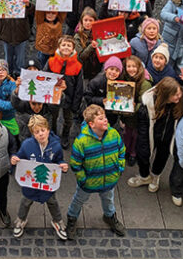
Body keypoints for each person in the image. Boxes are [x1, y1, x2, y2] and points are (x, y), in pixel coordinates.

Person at [128, 77, 183, 193]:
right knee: (143, 155)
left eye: (179, 93)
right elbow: (143, 131)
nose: (179, 97)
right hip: (152, 135)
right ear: (165, 96)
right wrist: (144, 149)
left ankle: (155, 176)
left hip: (169, 137)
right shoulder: (146, 107)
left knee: (162, 157)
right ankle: (144, 177)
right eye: (175, 95)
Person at [65, 104, 126, 238]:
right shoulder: (81, 142)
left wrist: (119, 168)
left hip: (109, 179)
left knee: (109, 199)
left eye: (104, 117)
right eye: (100, 118)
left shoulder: (114, 134)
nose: (105, 120)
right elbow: (75, 164)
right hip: (89, 182)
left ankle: (110, 216)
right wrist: (83, 179)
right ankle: (72, 218)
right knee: (78, 200)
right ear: (91, 124)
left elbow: (121, 150)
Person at [11, 115, 68, 240]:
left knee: (52, 202)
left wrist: (62, 166)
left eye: (43, 130)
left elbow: (59, 160)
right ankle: (21, 220)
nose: (41, 134)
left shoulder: (56, 146)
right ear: (33, 134)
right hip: (31, 185)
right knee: (25, 202)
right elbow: (19, 156)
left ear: (48, 130)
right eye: (37, 132)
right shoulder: (27, 145)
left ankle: (57, 221)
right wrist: (14, 159)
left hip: (48, 185)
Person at [46, 35, 84, 148]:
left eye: (69, 45)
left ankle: (65, 135)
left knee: (68, 120)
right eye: (63, 45)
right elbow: (44, 78)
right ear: (59, 47)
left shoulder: (77, 66)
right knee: (53, 117)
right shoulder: (51, 62)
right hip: (53, 96)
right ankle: (52, 134)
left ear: (73, 49)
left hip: (70, 97)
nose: (66, 47)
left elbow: (79, 88)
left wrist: (76, 104)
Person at [120, 56, 151, 166]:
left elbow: (145, 103)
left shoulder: (145, 83)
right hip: (128, 115)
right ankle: (125, 151)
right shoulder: (125, 78)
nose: (131, 69)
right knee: (127, 134)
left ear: (139, 68)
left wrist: (133, 106)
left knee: (136, 136)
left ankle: (133, 153)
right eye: (129, 66)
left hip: (139, 116)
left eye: (134, 66)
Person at [73, 7, 102, 81]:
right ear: (81, 21)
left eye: (90, 20)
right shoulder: (78, 37)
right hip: (85, 71)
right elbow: (80, 57)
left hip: (98, 69)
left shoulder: (99, 33)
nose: (88, 23)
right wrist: (91, 47)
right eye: (85, 20)